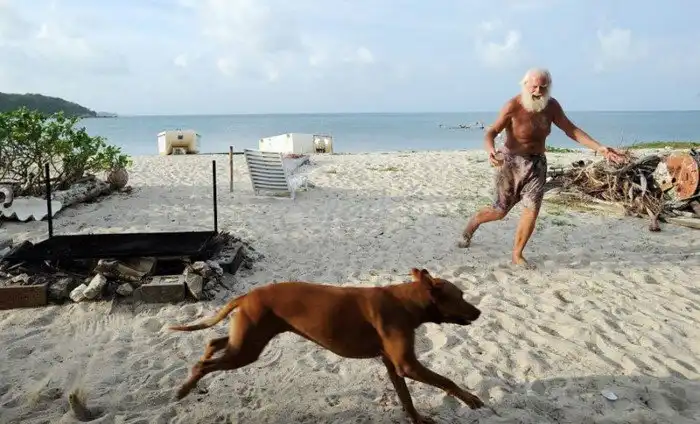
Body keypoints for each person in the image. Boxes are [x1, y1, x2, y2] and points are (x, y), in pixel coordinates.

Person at [458, 67, 627, 267]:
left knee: (531, 210)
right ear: (525, 85)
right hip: (511, 164)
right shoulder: (512, 106)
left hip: (537, 165)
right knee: (500, 212)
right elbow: (492, 132)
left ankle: (517, 254)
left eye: (543, 87)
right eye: (534, 87)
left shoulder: (551, 106)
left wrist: (600, 148)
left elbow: (571, 130)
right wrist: (490, 151)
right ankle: (472, 224)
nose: (538, 91)